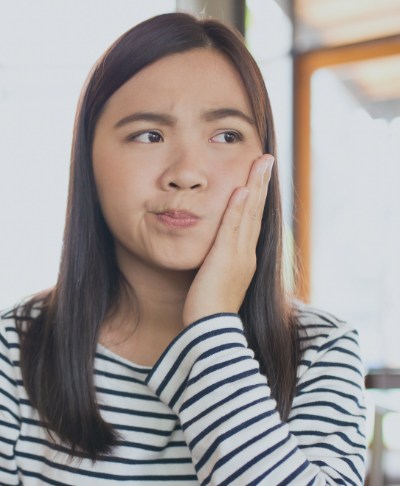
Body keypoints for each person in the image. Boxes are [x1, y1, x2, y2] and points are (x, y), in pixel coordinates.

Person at [0, 12, 366, 485]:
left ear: (264, 162)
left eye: (226, 135)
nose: (187, 172)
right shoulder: (13, 349)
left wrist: (212, 327)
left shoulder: (321, 349)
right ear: (88, 159)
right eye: (149, 135)